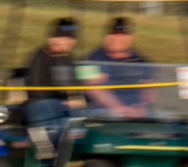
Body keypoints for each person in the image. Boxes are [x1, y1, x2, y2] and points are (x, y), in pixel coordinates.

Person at [23, 18, 80, 154]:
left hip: (60, 105)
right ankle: (50, 155)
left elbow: (72, 85)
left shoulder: (67, 58)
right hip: (41, 103)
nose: (64, 42)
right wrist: (70, 99)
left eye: (68, 39)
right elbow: (39, 89)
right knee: (55, 120)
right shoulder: (42, 56)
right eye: (59, 37)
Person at [84, 17, 152, 118]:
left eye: (123, 34)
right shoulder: (90, 59)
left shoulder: (140, 60)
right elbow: (93, 88)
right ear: (107, 36)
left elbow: (149, 85)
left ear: (131, 37)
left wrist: (144, 106)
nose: (118, 38)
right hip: (103, 115)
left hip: (138, 114)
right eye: (114, 34)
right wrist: (120, 108)